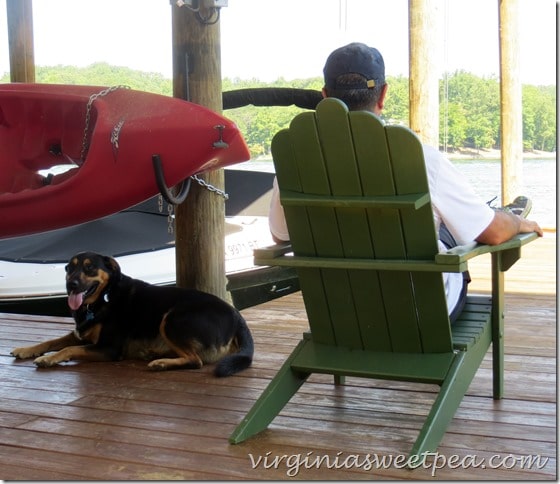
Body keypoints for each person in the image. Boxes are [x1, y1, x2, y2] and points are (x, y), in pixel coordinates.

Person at [269, 42, 543, 322]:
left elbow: (281, 235)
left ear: (325, 96)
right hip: (420, 315)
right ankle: (489, 212)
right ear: (383, 93)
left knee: (440, 223)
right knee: (444, 227)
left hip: (338, 316)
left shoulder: (294, 161)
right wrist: (516, 222)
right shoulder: (419, 158)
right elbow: (494, 234)